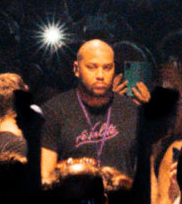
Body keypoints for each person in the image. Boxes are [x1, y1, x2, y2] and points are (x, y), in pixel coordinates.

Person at [38, 38, 150, 182]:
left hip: (122, 202)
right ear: (76, 69)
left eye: (107, 67)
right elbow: (45, 175)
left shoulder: (133, 112)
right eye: (92, 67)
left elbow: (147, 174)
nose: (100, 76)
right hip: (73, 201)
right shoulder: (54, 111)